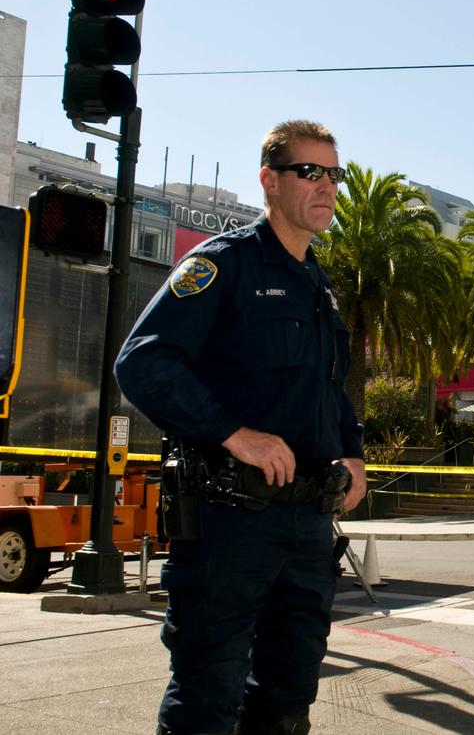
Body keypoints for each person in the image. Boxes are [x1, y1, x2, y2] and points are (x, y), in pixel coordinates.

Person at [115, 120, 366, 735]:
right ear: (269, 181)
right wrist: (235, 433)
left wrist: (353, 453)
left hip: (306, 525)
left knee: (287, 698)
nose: (326, 186)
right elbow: (142, 362)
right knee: (209, 693)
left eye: (334, 174)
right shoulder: (223, 265)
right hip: (232, 522)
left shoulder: (318, 283)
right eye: (309, 172)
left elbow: (327, 388)